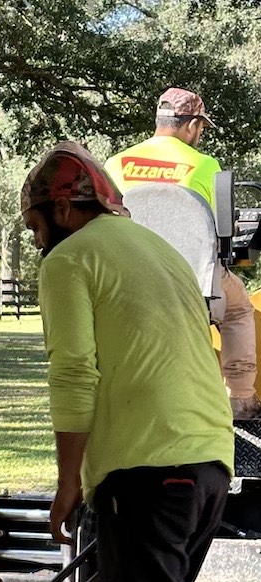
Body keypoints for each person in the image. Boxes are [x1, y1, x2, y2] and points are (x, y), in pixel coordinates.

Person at [9, 141, 235, 582]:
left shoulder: (71, 260)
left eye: (35, 224)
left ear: (60, 209)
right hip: (208, 461)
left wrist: (67, 480)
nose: (36, 238)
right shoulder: (157, 251)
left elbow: (74, 371)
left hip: (147, 462)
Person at [105, 86, 261, 420]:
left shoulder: (115, 164)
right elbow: (221, 233)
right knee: (238, 311)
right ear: (191, 125)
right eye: (201, 128)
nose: (200, 135)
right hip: (190, 285)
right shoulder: (204, 166)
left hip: (126, 284)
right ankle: (241, 399)